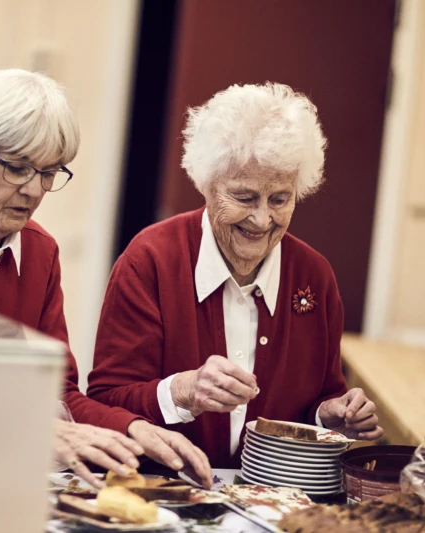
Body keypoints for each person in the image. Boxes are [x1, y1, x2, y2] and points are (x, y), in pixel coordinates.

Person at [87, 82, 383, 468]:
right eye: (244, 198)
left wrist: (329, 415)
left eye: (279, 199)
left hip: (275, 502)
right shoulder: (150, 261)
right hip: (164, 496)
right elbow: (106, 400)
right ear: (207, 185)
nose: (262, 220)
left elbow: (318, 404)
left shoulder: (315, 277)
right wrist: (183, 391)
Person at [0, 68, 212, 488]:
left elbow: (57, 392)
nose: (33, 190)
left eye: (49, 172)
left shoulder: (40, 252)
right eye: (18, 167)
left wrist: (131, 427)